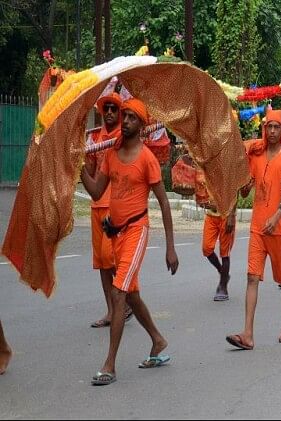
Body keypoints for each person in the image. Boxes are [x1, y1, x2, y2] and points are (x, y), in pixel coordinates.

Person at [80, 98, 179, 386]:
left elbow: (163, 203)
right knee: (132, 295)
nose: (124, 121)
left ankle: (109, 364)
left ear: (142, 125)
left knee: (119, 292)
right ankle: (158, 341)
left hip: (137, 230)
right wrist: (80, 170)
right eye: (123, 116)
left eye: (131, 118)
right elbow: (98, 192)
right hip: (116, 233)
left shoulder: (147, 158)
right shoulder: (110, 154)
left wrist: (171, 247)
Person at [226, 109, 281, 351]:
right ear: (264, 130)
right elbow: (246, 189)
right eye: (269, 127)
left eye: (277, 127)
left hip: (277, 230)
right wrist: (241, 175)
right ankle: (247, 334)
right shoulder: (256, 156)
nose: (273, 131)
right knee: (251, 277)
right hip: (258, 228)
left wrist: (277, 216)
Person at [86, 91, 133, 328]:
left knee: (111, 258)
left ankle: (126, 302)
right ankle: (112, 310)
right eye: (107, 110)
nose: (111, 114)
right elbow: (91, 169)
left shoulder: (125, 138)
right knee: (102, 263)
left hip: (115, 206)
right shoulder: (95, 138)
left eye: (115, 109)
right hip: (96, 204)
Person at [198, 168, 236, 301]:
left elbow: (233, 190)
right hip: (211, 215)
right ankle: (223, 272)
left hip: (226, 215)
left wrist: (231, 215)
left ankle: (223, 286)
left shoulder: (226, 162)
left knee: (225, 253)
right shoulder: (206, 164)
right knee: (206, 248)